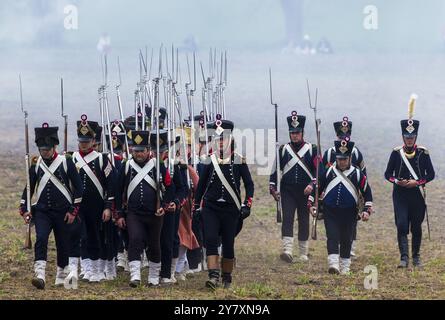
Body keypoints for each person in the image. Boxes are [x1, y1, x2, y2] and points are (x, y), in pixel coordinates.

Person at [19, 123, 83, 289]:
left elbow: (79, 189)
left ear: (54, 146)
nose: (44, 152)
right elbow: (29, 188)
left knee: (63, 243)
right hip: (42, 212)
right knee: (41, 239)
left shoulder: (66, 162)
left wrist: (73, 211)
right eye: (42, 149)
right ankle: (40, 274)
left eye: (47, 148)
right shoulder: (36, 163)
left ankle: (61, 274)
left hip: (63, 211)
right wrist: (24, 209)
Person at [194, 117, 254, 290]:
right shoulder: (209, 160)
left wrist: (247, 204)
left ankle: (227, 276)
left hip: (230, 209)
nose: (220, 142)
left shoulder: (239, 160)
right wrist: (197, 206)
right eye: (217, 139)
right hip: (211, 207)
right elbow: (201, 186)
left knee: (228, 243)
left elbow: (249, 185)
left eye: (223, 138)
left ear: (230, 139)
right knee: (211, 239)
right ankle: (213, 276)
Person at [115, 130, 173, 287]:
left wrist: (165, 205)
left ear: (148, 150)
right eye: (136, 151)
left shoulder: (158, 165)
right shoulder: (127, 165)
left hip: (155, 213)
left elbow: (169, 187)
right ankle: (135, 275)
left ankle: (154, 277)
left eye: (142, 151)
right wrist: (119, 214)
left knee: (154, 244)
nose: (138, 154)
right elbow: (118, 190)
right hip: (134, 213)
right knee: (135, 240)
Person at [309, 139, 373, 274]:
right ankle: (333, 264)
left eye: (344, 159)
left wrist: (367, 210)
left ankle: (345, 266)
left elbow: (367, 193)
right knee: (332, 236)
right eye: (339, 159)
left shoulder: (357, 174)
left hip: (349, 213)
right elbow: (317, 188)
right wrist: (311, 203)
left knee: (346, 238)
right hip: (330, 211)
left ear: (349, 158)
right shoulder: (328, 172)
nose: (342, 162)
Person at [384, 102, 435, 268]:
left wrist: (417, 182)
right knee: (402, 224)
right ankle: (404, 257)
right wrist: (397, 181)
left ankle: (416, 257)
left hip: (417, 194)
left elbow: (431, 174)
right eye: (407, 137)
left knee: (416, 227)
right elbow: (387, 174)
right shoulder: (396, 153)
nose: (409, 140)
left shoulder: (423, 153)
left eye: (412, 137)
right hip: (400, 194)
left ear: (416, 137)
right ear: (402, 137)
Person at [269, 111, 318, 263]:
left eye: (297, 133)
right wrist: (273, 189)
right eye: (292, 133)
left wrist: (312, 185)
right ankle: (287, 250)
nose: (295, 135)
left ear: (302, 133)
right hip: (288, 190)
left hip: (305, 191)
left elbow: (319, 172)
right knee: (288, 218)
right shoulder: (283, 149)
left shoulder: (312, 149)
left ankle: (303, 252)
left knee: (304, 220)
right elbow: (275, 172)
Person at [71, 115, 115, 282]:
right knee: (81, 237)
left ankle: (97, 270)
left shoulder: (102, 159)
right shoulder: (72, 159)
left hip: (97, 206)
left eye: (87, 141)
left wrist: (108, 206)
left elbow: (111, 184)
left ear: (93, 141)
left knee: (96, 236)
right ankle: (87, 269)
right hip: (78, 205)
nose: (84, 143)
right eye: (82, 140)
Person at [323, 116, 367, 257]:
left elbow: (363, 171)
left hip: (352, 189)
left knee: (352, 220)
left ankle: (350, 245)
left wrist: (361, 193)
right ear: (337, 136)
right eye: (342, 135)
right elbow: (322, 173)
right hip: (332, 191)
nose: (344, 138)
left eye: (347, 135)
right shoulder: (330, 153)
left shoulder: (356, 152)